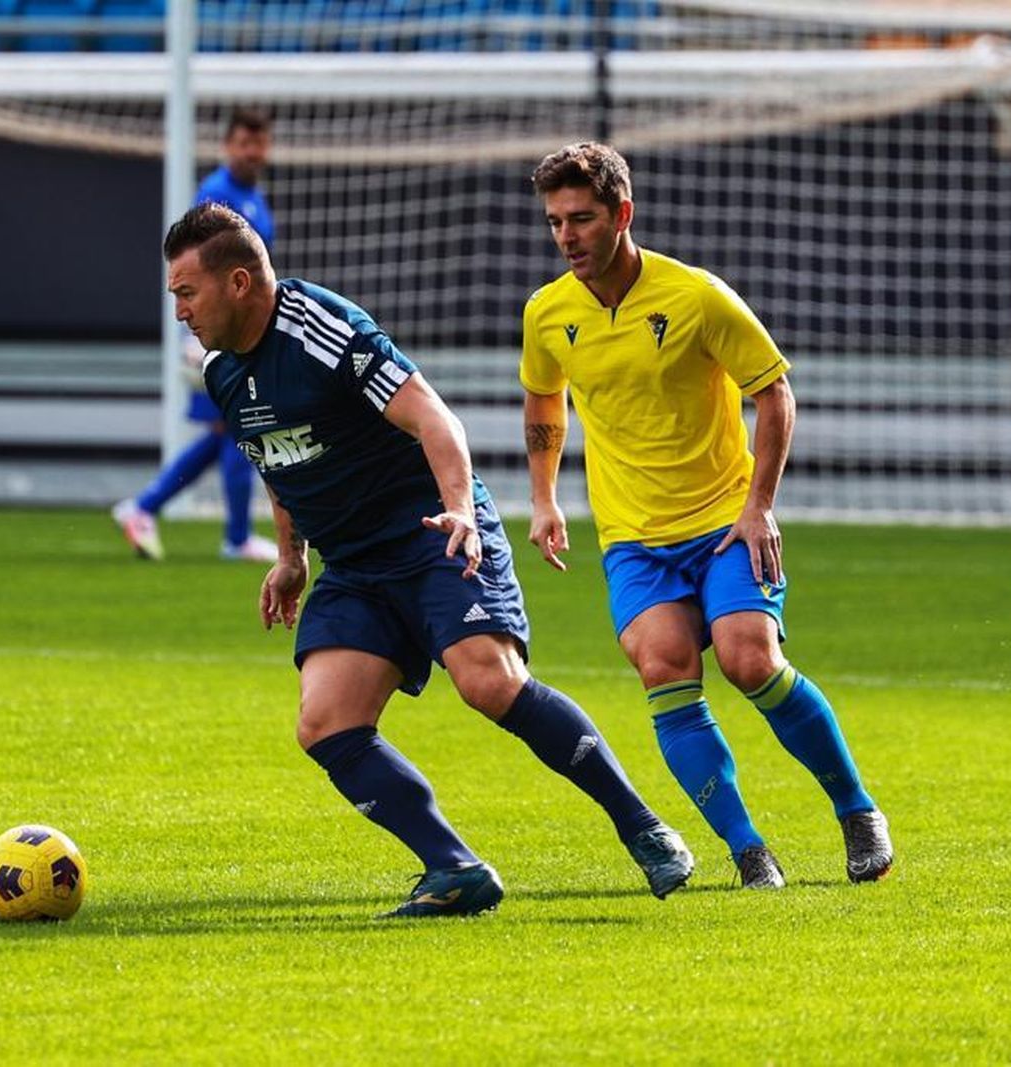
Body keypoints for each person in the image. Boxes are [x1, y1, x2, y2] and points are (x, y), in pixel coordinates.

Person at [164, 202, 696, 918]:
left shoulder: (322, 330)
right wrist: (290, 556)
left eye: (186, 293)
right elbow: (276, 459)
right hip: (353, 563)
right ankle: (454, 867)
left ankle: (644, 826)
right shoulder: (225, 372)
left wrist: (459, 511)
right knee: (326, 723)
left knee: (489, 680)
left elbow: (434, 418)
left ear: (236, 282)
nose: (179, 313)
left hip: (430, 529)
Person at [519, 142, 893, 889]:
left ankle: (856, 811)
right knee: (665, 666)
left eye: (582, 219)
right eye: (555, 221)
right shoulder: (548, 311)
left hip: (724, 518)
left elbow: (774, 391)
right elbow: (542, 399)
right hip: (633, 537)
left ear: (622, 214)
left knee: (750, 656)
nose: (566, 236)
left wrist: (760, 508)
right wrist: (544, 495)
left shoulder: (696, 296)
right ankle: (749, 852)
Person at [113, 108, 282, 563]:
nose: (253, 151)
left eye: (260, 142)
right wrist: (197, 335)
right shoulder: (217, 196)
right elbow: (198, 266)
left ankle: (144, 508)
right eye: (245, 142)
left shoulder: (255, 199)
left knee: (228, 432)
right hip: (220, 335)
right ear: (228, 146)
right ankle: (236, 537)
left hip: (239, 332)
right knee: (239, 430)